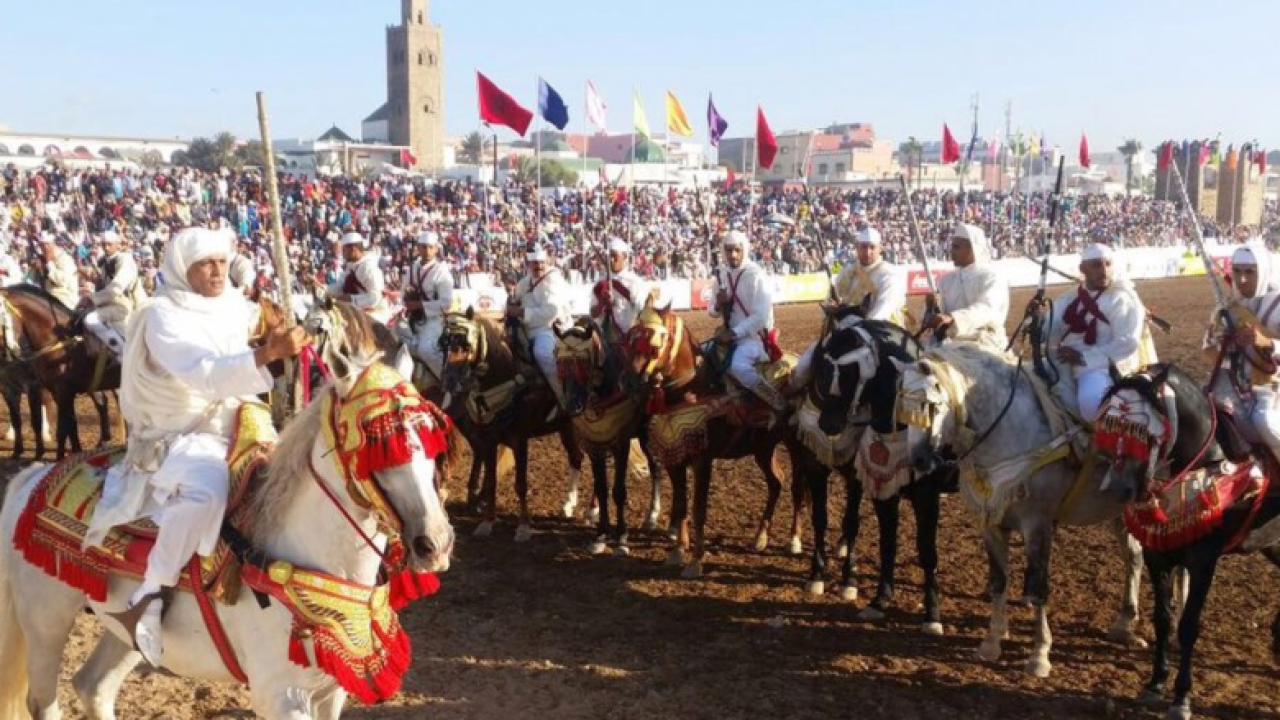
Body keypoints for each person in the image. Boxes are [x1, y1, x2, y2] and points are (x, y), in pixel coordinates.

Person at [83, 226, 309, 666]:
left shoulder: (231, 306)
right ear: (182, 268)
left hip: (238, 421)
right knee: (206, 493)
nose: (216, 270)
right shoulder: (161, 315)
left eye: (222, 261)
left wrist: (288, 335)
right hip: (180, 432)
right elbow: (204, 372)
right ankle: (148, 597)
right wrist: (265, 355)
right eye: (205, 263)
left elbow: (253, 331)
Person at [1034, 242, 1150, 424]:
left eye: (1108, 264)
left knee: (1090, 400)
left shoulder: (1122, 298)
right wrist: (1036, 318)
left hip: (1102, 367)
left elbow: (1128, 343)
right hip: (1064, 361)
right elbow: (1049, 329)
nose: (1103, 270)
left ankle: (1103, 446)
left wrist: (1083, 357)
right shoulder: (1070, 298)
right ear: (1083, 269)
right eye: (1096, 265)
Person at [1203, 241, 1280, 460]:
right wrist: (1223, 346)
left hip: (1273, 385)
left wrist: (1265, 341)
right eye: (1236, 271)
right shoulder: (1225, 308)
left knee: (1263, 420)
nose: (1242, 279)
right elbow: (1207, 349)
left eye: (1250, 272)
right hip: (1234, 382)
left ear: (1263, 271)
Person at [708, 230, 787, 421]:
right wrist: (718, 304)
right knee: (703, 356)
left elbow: (762, 315)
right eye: (728, 250)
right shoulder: (721, 275)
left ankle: (776, 401)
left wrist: (735, 332)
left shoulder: (756, 276)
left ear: (744, 250)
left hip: (754, 339)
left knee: (738, 366)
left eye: (737, 250)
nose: (733, 255)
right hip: (730, 337)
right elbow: (711, 311)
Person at [507, 245, 572, 418]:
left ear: (547, 262)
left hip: (548, 328)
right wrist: (511, 302)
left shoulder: (553, 280)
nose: (539, 266)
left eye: (541, 263)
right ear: (528, 263)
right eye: (535, 263)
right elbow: (514, 300)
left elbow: (551, 312)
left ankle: (563, 399)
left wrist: (521, 312)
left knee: (542, 353)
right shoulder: (525, 281)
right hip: (527, 329)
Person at [923, 222, 1010, 349]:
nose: (951, 251)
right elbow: (931, 320)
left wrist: (953, 319)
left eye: (956, 247)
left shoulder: (992, 278)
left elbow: (988, 309)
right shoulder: (946, 280)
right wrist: (931, 306)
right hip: (947, 343)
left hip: (983, 342)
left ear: (972, 249)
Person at [81, 230, 147, 358]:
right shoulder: (105, 262)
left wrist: (91, 299)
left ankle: (124, 354)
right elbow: (103, 284)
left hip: (127, 306)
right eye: (104, 244)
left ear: (117, 244)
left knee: (91, 320)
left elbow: (115, 289)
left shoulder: (125, 260)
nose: (106, 247)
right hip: (112, 304)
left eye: (109, 244)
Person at [404, 230, 454, 382]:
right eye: (423, 247)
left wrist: (420, 305)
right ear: (418, 248)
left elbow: (447, 303)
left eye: (429, 247)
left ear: (436, 249)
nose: (426, 251)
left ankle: (449, 381)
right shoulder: (412, 268)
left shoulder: (441, 271)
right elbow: (403, 291)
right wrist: (406, 300)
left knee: (425, 350)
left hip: (434, 320)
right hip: (413, 319)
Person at [831, 226, 907, 324]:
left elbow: (884, 310)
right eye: (864, 247)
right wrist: (832, 305)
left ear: (880, 248)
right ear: (857, 248)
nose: (867, 252)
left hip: (883, 331)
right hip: (851, 327)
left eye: (872, 247)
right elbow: (835, 296)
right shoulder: (848, 271)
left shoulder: (890, 275)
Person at [589, 237, 651, 342]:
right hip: (603, 340)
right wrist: (602, 303)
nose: (611, 260)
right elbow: (592, 313)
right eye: (609, 256)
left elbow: (642, 311)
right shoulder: (600, 283)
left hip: (628, 338)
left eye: (615, 256)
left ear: (624, 257)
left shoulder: (634, 282)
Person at [330, 231, 392, 324]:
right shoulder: (351, 266)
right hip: (356, 311)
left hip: (375, 312)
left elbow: (375, 298)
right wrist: (321, 288)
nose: (342, 254)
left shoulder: (369, 268)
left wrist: (351, 299)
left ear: (353, 249)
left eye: (344, 250)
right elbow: (340, 286)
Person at [40, 232, 80, 308]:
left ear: (53, 244)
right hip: (50, 298)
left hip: (65, 299)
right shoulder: (44, 260)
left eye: (47, 244)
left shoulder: (65, 259)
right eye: (42, 245)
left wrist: (49, 263)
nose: (45, 248)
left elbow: (62, 281)